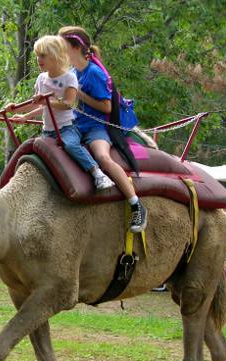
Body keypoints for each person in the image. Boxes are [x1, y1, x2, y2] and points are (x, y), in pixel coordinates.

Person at [58, 26, 147, 232]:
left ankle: (136, 204)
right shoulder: (72, 72)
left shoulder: (94, 73)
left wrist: (80, 95)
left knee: (103, 158)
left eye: (61, 46)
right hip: (75, 125)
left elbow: (106, 107)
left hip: (95, 128)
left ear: (75, 47)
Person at [9, 36, 114, 192]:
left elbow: (68, 104)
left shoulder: (69, 78)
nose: (38, 59)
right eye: (37, 55)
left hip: (66, 128)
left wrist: (46, 102)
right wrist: (19, 112)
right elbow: (38, 104)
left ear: (55, 56)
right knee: (34, 150)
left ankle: (97, 173)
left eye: (43, 55)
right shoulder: (41, 79)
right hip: (48, 131)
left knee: (70, 145)